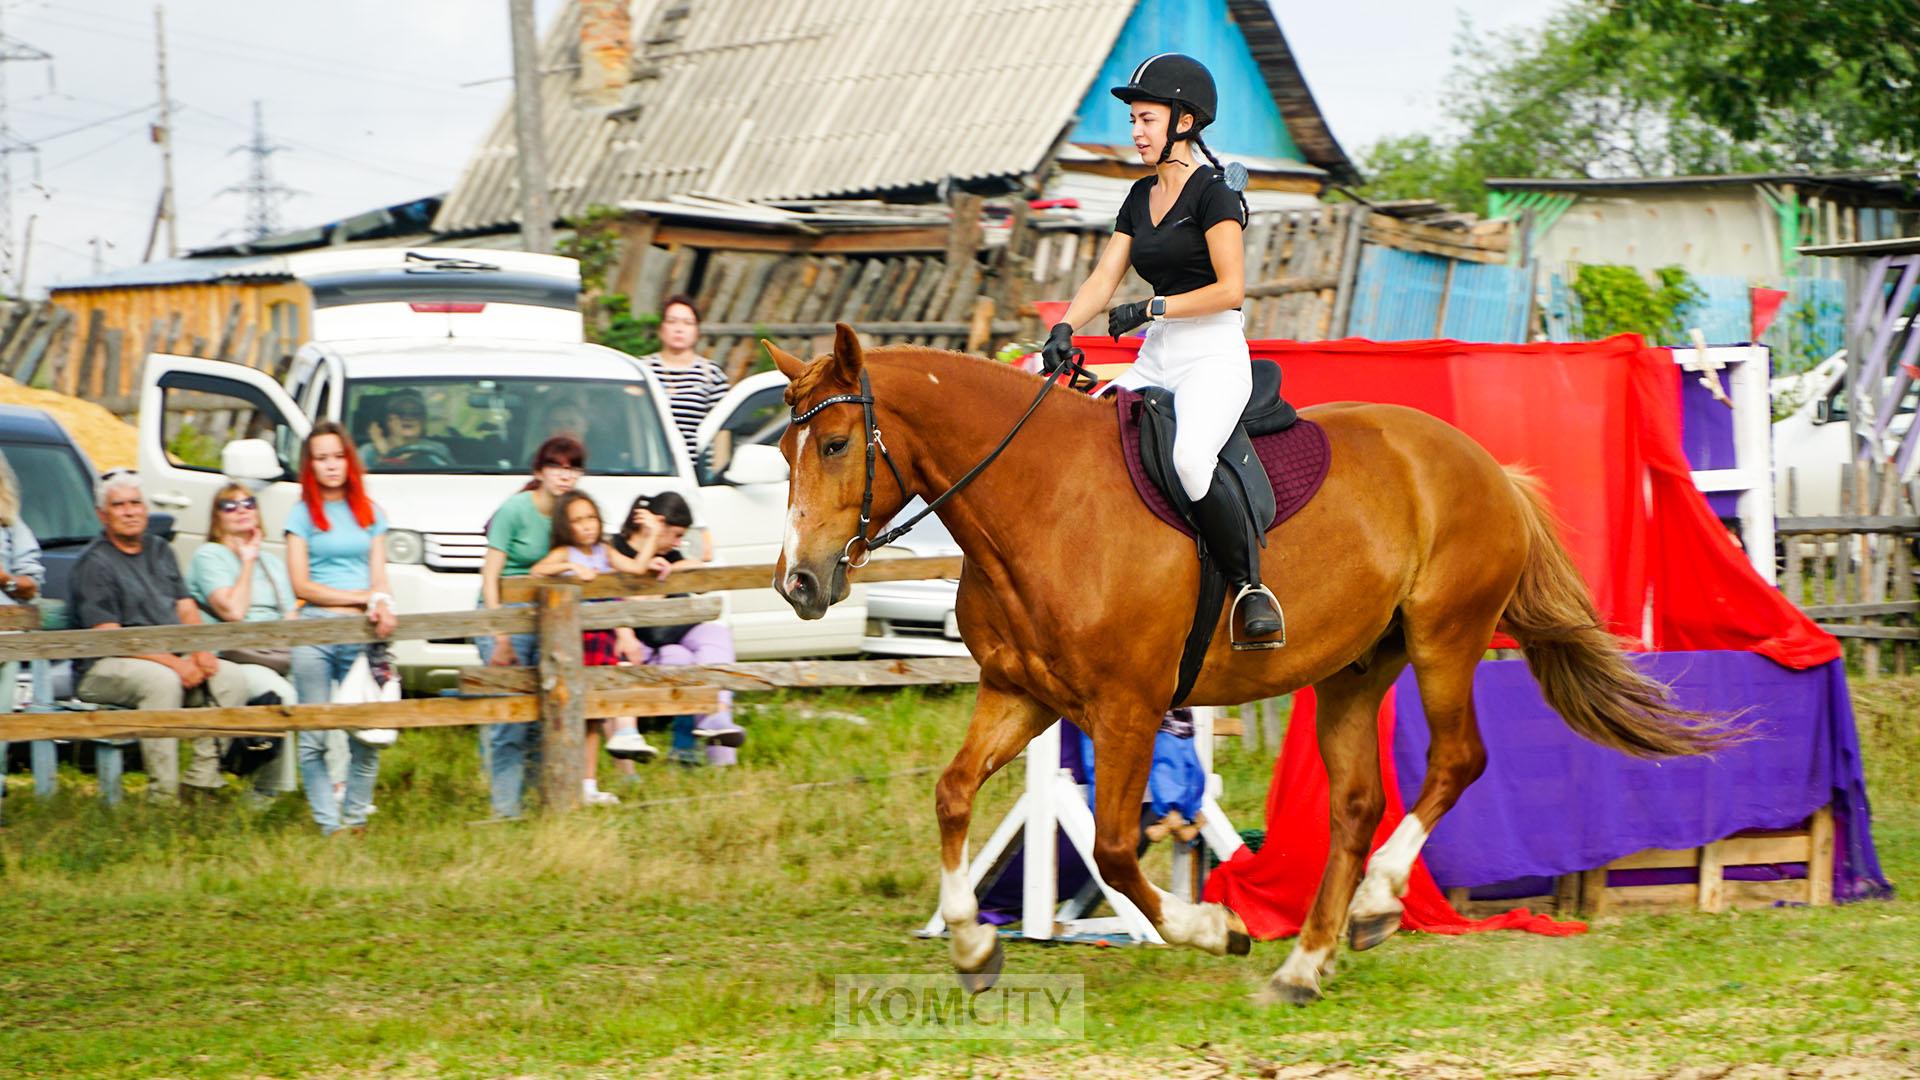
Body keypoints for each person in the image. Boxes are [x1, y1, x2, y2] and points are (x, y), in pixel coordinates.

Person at [1037, 53, 1283, 646]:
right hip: (1159, 354)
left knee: (1191, 459)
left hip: (1213, 355)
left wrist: (1151, 308)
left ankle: (1250, 587)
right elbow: (1103, 279)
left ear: (1183, 121)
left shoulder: (1214, 195)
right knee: (1088, 440)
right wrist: (1064, 329)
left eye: (1145, 119)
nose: (1135, 133)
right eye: (1133, 122)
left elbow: (1230, 289)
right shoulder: (1137, 196)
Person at [71, 470, 250, 801]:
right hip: (104, 667)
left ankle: (201, 782)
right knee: (162, 681)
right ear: (102, 515)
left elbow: (185, 608)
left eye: (136, 503)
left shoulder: (160, 550)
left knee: (231, 677)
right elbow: (110, 637)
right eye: (119, 505)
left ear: (146, 509)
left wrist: (200, 651)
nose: (129, 511)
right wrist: (176, 665)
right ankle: (163, 797)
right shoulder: (94, 563)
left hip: (167, 661)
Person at [285, 422, 397, 835]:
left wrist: (380, 602)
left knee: (367, 732)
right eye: (321, 458)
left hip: (360, 632)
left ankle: (354, 816)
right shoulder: (300, 515)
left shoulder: (372, 513)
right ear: (309, 465)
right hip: (314, 631)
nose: (330, 466)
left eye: (337, 456)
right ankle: (328, 825)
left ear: (349, 460)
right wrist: (360, 597)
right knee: (314, 735)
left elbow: (380, 578)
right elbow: (301, 585)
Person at [478, 435, 586, 819]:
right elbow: (490, 574)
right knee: (510, 716)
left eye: (572, 468)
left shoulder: (573, 511)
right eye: (557, 467)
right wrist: (498, 633)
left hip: (553, 615)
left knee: (550, 710)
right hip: (508, 610)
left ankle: (544, 803)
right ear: (540, 471)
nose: (564, 476)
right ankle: (505, 810)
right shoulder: (516, 509)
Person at [530, 490, 660, 801]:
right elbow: (537, 570)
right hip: (576, 640)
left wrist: (652, 534)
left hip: (602, 638)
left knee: (594, 715)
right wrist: (572, 570)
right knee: (575, 711)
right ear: (566, 526)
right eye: (577, 521)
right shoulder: (565, 553)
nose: (586, 525)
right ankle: (574, 782)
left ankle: (588, 784)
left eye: (590, 518)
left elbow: (637, 568)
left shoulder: (604, 551)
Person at [608, 491, 744, 765]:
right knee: (677, 658)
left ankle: (717, 721)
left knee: (711, 638)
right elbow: (612, 600)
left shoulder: (671, 555)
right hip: (631, 642)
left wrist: (677, 568)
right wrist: (654, 586)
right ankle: (683, 750)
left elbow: (701, 574)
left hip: (668, 636)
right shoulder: (615, 549)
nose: (678, 542)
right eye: (677, 534)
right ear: (658, 524)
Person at [186, 482, 301, 803]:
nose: (241, 511)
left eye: (248, 504)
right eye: (230, 506)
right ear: (216, 517)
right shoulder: (209, 556)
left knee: (326, 688)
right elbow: (234, 611)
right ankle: (266, 792)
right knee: (283, 696)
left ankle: (335, 786)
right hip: (233, 657)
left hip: (276, 651)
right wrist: (247, 561)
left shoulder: (273, 562)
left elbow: (291, 613)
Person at [641, 295, 732, 459]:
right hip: (647, 470)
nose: (679, 328)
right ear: (661, 328)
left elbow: (722, 433)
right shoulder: (642, 370)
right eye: (672, 321)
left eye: (687, 323)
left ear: (697, 331)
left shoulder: (711, 375)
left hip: (693, 471)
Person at [359, 389, 452, 469]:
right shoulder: (368, 451)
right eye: (401, 413)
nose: (408, 418)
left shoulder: (437, 449)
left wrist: (386, 453)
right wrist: (384, 451)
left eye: (415, 413)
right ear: (388, 419)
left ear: (423, 421)